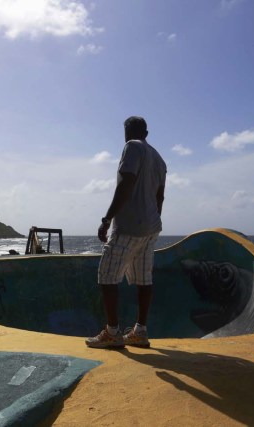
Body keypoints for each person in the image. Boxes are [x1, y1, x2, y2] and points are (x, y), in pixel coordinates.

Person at [85, 116, 167, 349]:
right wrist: (152, 220)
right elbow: (159, 197)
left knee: (106, 275)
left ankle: (112, 332)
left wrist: (107, 219)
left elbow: (126, 183)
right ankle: (140, 332)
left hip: (130, 226)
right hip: (151, 227)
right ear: (147, 133)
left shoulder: (131, 147)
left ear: (126, 132)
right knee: (144, 279)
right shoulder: (159, 159)